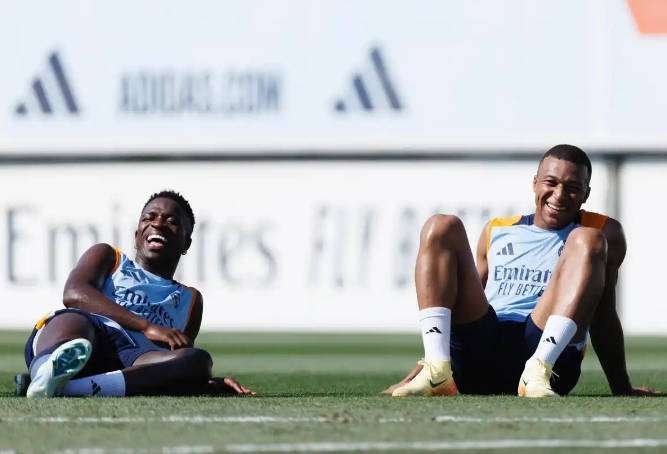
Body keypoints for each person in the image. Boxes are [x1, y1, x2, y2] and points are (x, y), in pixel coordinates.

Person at [385, 145, 660, 398]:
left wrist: (621, 387)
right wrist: (421, 369)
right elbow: (454, 304)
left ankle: (537, 371)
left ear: (586, 194)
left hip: (548, 358)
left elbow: (603, 313)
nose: (559, 195)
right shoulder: (497, 229)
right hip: (481, 354)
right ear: (535, 183)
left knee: (587, 238)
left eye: (572, 188)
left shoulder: (602, 231)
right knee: (441, 225)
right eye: (551, 183)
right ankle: (436, 371)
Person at [24, 190, 254, 398]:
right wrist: (146, 326)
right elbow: (74, 293)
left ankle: (66, 387)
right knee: (74, 321)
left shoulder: (190, 299)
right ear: (137, 236)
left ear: (186, 243)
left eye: (172, 221)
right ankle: (46, 368)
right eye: (149, 218)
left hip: (134, 358)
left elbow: (173, 360)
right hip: (87, 334)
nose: (158, 224)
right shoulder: (110, 257)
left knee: (198, 361)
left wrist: (205, 381)